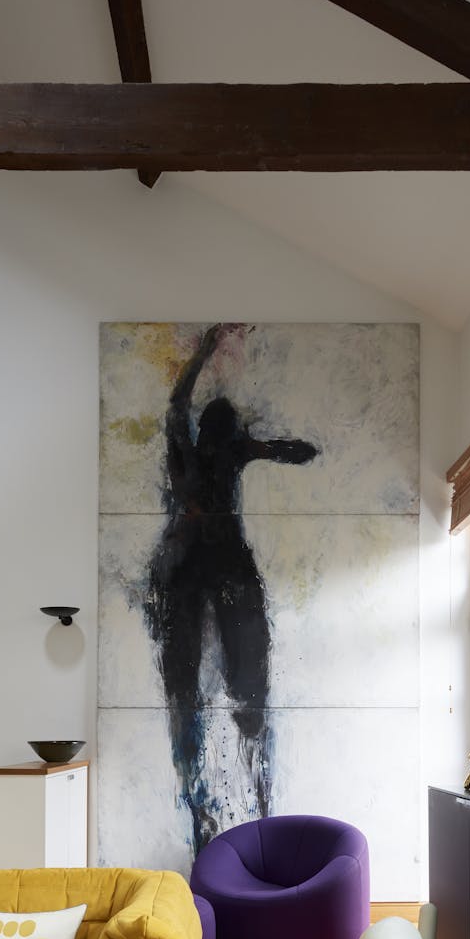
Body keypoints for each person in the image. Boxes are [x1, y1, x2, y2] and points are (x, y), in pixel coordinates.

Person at [145, 324, 319, 852]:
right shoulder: (227, 450)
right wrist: (286, 447)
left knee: (190, 692)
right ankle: (254, 802)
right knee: (240, 690)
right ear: (228, 432)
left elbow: (178, 404)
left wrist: (202, 353)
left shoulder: (190, 446)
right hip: (213, 568)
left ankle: (205, 805)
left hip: (188, 569)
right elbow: (296, 451)